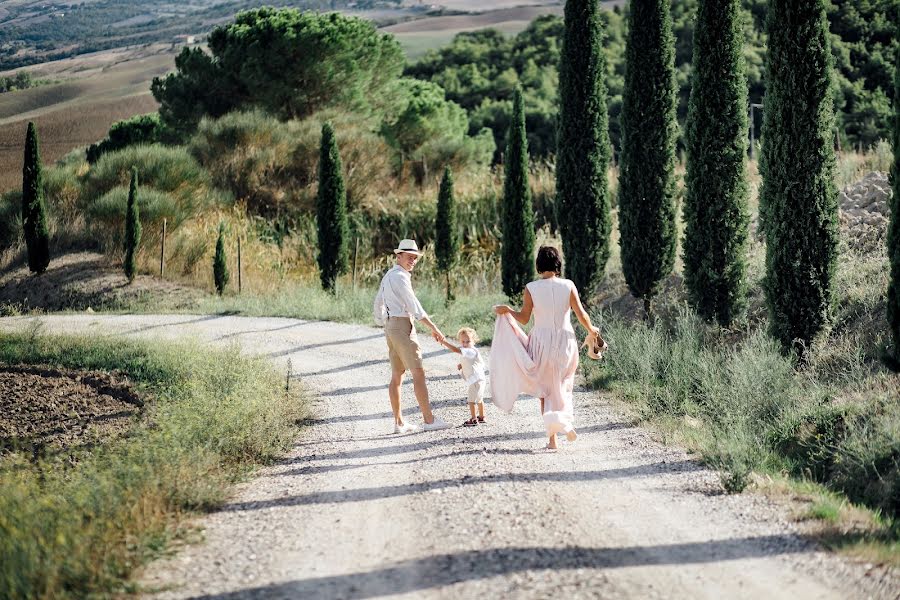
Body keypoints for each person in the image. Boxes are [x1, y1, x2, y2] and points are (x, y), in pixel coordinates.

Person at [490, 246, 605, 450]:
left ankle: (553, 439)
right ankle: (563, 421)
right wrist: (592, 331)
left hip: (541, 341)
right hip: (566, 341)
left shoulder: (531, 288)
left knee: (545, 390)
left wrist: (508, 310)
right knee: (563, 385)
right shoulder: (568, 285)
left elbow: (524, 319)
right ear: (558, 264)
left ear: (539, 265)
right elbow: (581, 315)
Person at [373, 239, 452, 433]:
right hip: (402, 326)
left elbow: (378, 303)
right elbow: (414, 306)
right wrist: (434, 328)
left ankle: (399, 423)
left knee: (397, 375)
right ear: (398, 256)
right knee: (418, 372)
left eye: (415, 258)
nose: (413, 261)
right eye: (409, 257)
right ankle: (429, 420)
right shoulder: (400, 277)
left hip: (391, 326)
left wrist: (384, 320)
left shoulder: (389, 275)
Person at [438, 327, 486, 426]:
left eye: (468, 341)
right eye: (463, 341)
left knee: (471, 400)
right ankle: (481, 417)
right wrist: (462, 365)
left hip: (475, 380)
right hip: (479, 379)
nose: (465, 344)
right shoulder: (470, 351)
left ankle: (473, 419)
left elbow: (456, 350)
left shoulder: (471, 350)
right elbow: (469, 361)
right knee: (479, 399)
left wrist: (445, 342)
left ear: (474, 341)